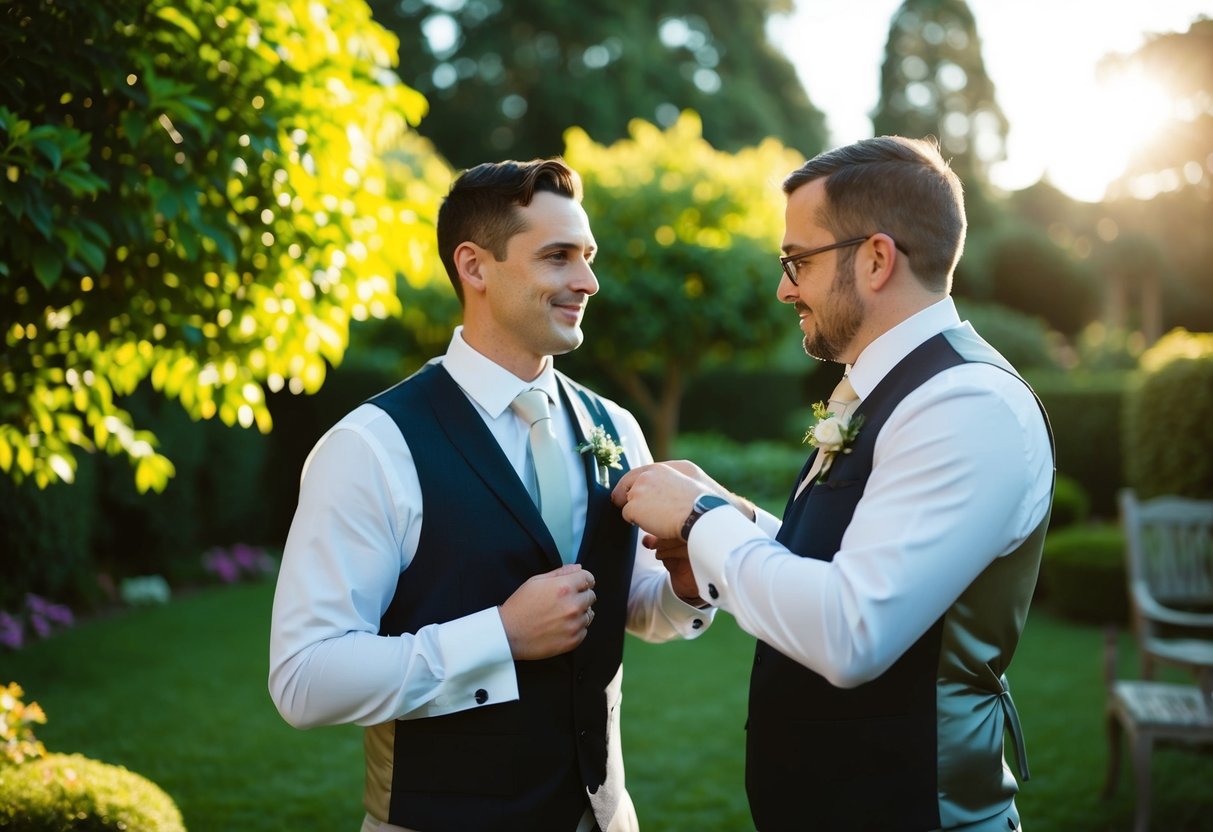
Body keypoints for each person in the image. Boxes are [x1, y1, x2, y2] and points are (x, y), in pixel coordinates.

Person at [612, 136, 1055, 832]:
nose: (784, 286)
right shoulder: (884, 390)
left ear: (876, 258)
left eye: (797, 260)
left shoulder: (967, 405)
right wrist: (737, 517)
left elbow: (853, 631)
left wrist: (700, 520)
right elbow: (841, 564)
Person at [269, 158, 713, 832]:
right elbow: (304, 679)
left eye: (587, 257)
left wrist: (682, 580)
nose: (588, 282)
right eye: (558, 257)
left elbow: (637, 608)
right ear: (474, 267)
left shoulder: (614, 427)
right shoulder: (370, 447)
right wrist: (498, 636)